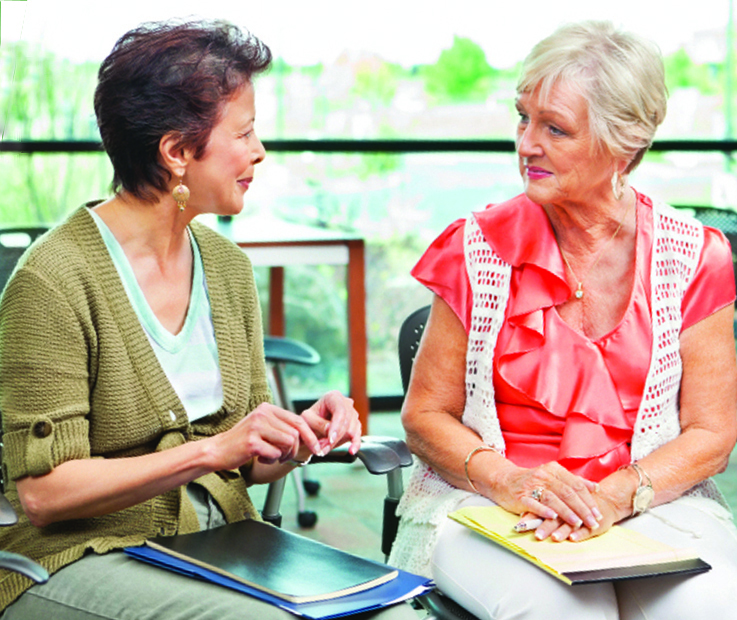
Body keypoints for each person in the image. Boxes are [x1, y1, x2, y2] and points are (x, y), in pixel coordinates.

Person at [0, 20, 415, 620]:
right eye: (243, 133)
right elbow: (43, 494)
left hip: (216, 544)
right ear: (176, 153)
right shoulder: (53, 281)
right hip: (74, 556)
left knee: (395, 614)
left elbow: (244, 458)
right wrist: (211, 451)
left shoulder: (225, 267)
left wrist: (300, 436)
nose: (259, 151)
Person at [389, 20, 737, 620]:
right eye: (523, 118)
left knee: (708, 607)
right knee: (566, 614)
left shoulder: (694, 254)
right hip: (488, 501)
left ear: (622, 144)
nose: (526, 143)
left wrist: (616, 495)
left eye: (555, 128)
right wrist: (508, 482)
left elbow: (711, 432)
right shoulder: (474, 247)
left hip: (650, 500)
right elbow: (425, 416)